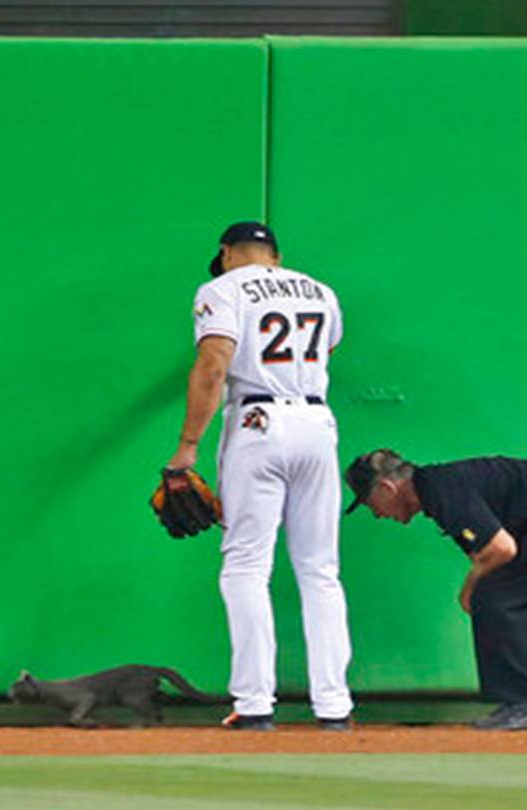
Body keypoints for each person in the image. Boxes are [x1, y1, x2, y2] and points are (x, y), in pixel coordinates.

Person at [164, 221, 353, 730]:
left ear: (228, 254)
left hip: (258, 422)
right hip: (317, 423)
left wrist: (187, 449)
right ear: (275, 255)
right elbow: (325, 351)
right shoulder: (319, 290)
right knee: (320, 570)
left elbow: (213, 365)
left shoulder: (221, 288)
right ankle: (334, 706)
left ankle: (253, 704)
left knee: (247, 566)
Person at [343, 448, 527, 730]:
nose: (377, 514)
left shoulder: (441, 489)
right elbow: (488, 554)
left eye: (370, 503)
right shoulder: (437, 490)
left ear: (386, 487)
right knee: (520, 604)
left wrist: (468, 590)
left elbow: (501, 549)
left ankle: (525, 704)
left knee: (495, 598)